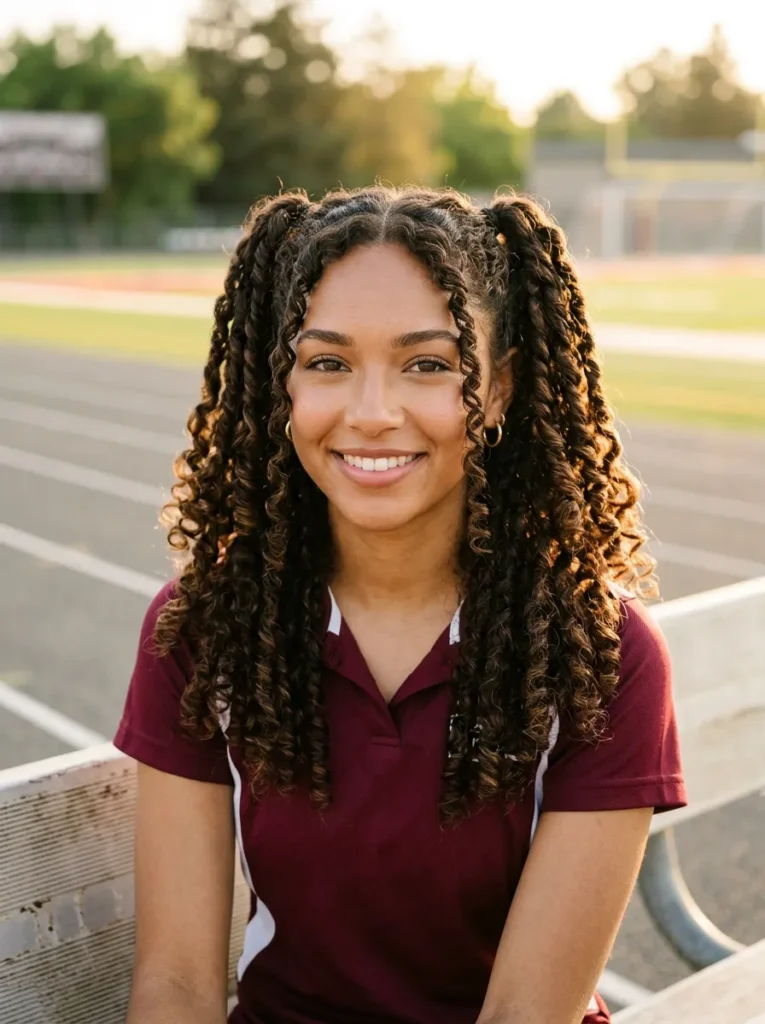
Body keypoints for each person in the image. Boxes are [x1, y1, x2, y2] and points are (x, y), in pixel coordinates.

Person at [115, 185, 687, 1024]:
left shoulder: (599, 651)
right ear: (280, 387)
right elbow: (177, 986)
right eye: (326, 363)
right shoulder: (205, 629)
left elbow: (524, 1017)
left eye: (428, 364)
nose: (372, 413)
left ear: (496, 390)